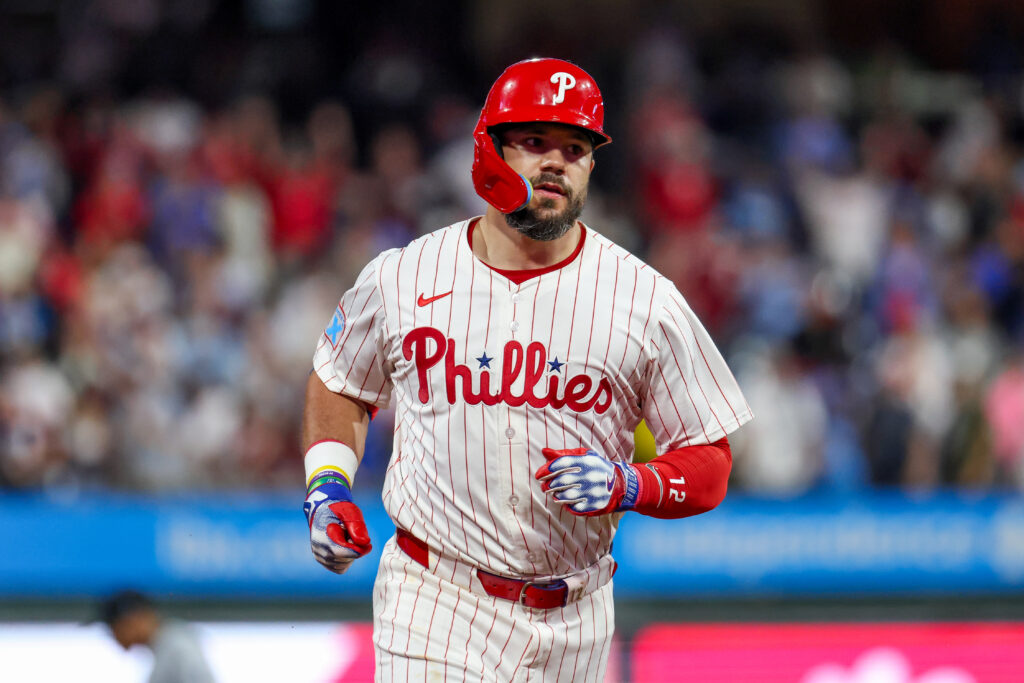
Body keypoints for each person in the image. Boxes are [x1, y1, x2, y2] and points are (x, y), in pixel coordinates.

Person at [301, 57, 753, 681]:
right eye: (534, 141)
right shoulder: (403, 276)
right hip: (436, 599)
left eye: (575, 148)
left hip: (579, 617)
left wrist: (631, 485)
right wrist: (326, 486)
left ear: (592, 166)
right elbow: (341, 381)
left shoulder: (644, 299)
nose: (555, 163)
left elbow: (710, 460)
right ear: (489, 152)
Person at [97, 589, 216, 683]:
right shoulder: (165, 648)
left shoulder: (177, 646)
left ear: (133, 618)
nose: (114, 636)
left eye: (114, 628)